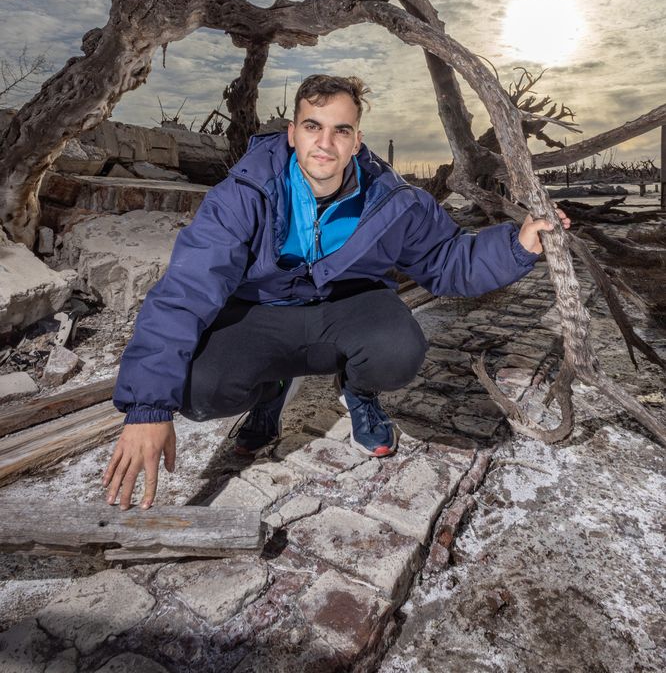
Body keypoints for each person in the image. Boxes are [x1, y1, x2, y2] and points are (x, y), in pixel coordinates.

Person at [104, 74, 569, 510]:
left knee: (399, 350)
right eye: (313, 126)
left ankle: (359, 390)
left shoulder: (392, 200)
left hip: (349, 309)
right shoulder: (244, 193)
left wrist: (518, 244)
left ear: (356, 141)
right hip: (264, 312)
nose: (325, 143)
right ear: (292, 134)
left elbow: (448, 261)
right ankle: (270, 389)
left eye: (340, 130)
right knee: (198, 388)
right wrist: (148, 407)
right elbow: (187, 288)